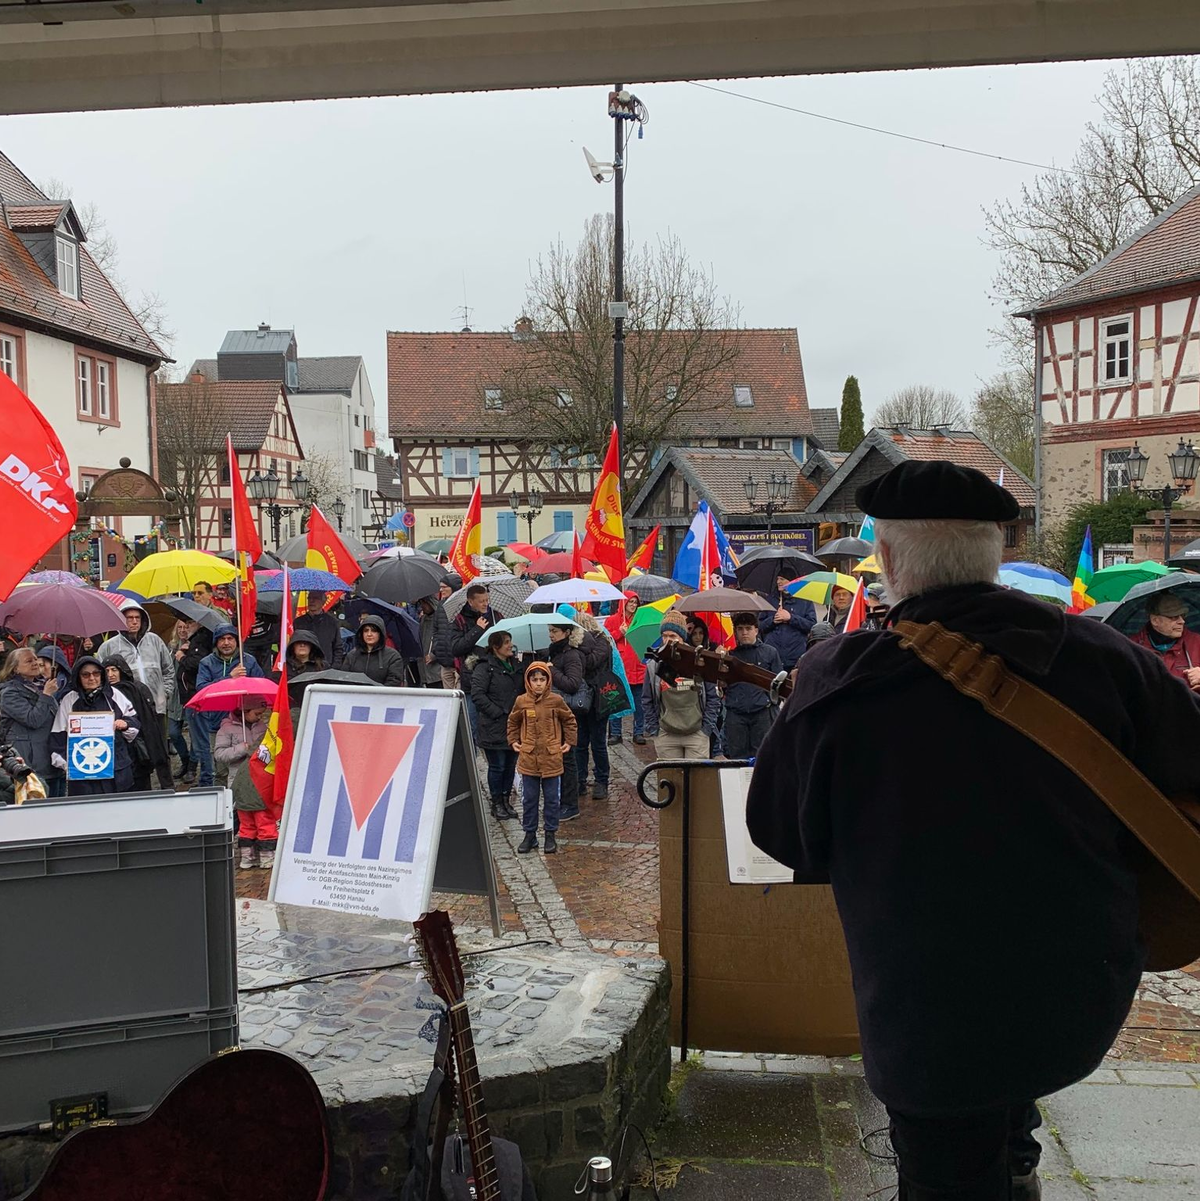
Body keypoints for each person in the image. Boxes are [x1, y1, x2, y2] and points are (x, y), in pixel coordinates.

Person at [746, 461, 1200, 1201]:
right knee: (1014, 1086)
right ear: (993, 554)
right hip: (1078, 983)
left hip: (925, 1006)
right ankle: (1017, 1163)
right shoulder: (1106, 659)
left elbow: (779, 832)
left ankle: (1006, 1167)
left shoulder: (838, 679)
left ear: (889, 562)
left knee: (945, 1173)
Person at [507, 661, 577, 855]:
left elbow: (569, 720)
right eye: (534, 679)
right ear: (528, 681)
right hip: (529, 758)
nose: (538, 683)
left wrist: (569, 741)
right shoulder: (521, 701)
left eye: (542, 679)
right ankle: (530, 834)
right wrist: (513, 740)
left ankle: (550, 834)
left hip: (551, 757)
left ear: (548, 681)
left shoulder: (556, 700)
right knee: (529, 799)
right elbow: (513, 721)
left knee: (552, 799)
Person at [50, 656, 140, 796]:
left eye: (96, 673)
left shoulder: (114, 695)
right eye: (85, 675)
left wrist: (126, 724)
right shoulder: (69, 700)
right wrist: (70, 765)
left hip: (117, 773)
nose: (92, 678)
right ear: (78, 677)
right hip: (82, 779)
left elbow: (134, 722)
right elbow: (58, 738)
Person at [642, 611, 720, 760]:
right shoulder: (654, 665)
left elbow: (713, 697)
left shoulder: (699, 661)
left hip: (696, 734)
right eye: (664, 636)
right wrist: (654, 730)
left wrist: (706, 729)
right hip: (666, 735)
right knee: (670, 775)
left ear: (682, 637)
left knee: (696, 775)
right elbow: (647, 699)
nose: (667, 640)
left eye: (672, 636)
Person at [195, 624, 265, 787]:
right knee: (221, 770)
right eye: (222, 639)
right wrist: (229, 677)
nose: (226, 643)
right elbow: (202, 688)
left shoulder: (248, 661)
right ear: (216, 642)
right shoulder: (207, 663)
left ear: (236, 641)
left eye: (230, 639)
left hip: (246, 722)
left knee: (249, 764)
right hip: (217, 722)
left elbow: (260, 686)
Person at [97, 603, 176, 733]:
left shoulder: (155, 641)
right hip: (126, 709)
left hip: (156, 707)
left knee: (158, 743)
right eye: (129, 618)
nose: (134, 621)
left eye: (137, 617)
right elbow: (100, 676)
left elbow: (168, 670)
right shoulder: (109, 646)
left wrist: (165, 693)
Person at [469, 630, 522, 821]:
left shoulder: (515, 665)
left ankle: (506, 800)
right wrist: (497, 712)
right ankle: (497, 802)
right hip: (493, 726)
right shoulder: (484, 668)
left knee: (510, 765)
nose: (510, 645)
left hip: (513, 725)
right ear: (495, 646)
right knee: (497, 766)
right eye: (506, 642)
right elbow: (478, 695)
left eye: (510, 641)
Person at [0, 647, 62, 796]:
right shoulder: (9, 693)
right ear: (15, 668)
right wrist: (46, 695)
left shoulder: (41, 686)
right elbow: (32, 720)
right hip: (30, 760)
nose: (35, 663)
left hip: (49, 756)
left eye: (35, 659)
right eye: (29, 661)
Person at [104, 656, 172, 791]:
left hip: (138, 745)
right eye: (106, 671)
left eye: (114, 670)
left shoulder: (136, 689)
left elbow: (148, 718)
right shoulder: (103, 693)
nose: (110, 675)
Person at [722, 613, 782, 759]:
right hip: (736, 713)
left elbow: (779, 684)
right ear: (735, 631)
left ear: (756, 630)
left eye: (748, 628)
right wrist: (720, 660)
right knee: (736, 760)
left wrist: (770, 702)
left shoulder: (770, 652)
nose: (744, 632)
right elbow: (721, 684)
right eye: (740, 629)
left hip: (762, 712)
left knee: (763, 758)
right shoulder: (728, 655)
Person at [544, 622, 588, 820]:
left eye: (554, 631)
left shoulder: (571, 655)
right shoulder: (554, 652)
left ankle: (570, 804)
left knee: (568, 759)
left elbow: (572, 684)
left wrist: (552, 670)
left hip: (568, 713)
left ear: (567, 632)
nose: (551, 635)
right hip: (555, 713)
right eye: (549, 631)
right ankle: (562, 801)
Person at [570, 609, 613, 801]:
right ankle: (580, 780)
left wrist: (578, 650)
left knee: (598, 742)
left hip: (598, 699)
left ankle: (601, 780)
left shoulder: (602, 642)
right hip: (580, 698)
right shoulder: (574, 645)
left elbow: (592, 662)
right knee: (580, 742)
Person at [451, 585, 498, 738]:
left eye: (487, 600)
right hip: (471, 679)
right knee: (472, 723)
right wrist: (477, 629)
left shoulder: (495, 615)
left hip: (495, 675)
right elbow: (456, 648)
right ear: (471, 602)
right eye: (481, 601)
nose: (485, 604)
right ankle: (474, 750)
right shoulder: (460, 620)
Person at [231, 724, 279, 870]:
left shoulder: (250, 759)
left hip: (242, 797)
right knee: (265, 825)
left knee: (246, 826)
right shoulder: (271, 759)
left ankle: (246, 858)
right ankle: (266, 857)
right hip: (260, 798)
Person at [1129, 592, 1200, 690]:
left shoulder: (1197, 642)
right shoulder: (1132, 648)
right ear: (1155, 621)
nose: (1182, 621)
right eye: (1174, 617)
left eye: (1182, 615)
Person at [176, 618, 214, 785]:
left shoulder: (201, 639)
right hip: (190, 697)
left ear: (199, 623)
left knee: (201, 742)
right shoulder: (194, 641)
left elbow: (197, 664)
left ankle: (207, 778)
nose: (187, 626)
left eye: (190, 623)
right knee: (199, 740)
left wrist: (182, 657)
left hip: (196, 697)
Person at [606, 591, 646, 745]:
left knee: (639, 704)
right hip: (620, 668)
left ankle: (639, 732)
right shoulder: (612, 620)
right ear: (624, 603)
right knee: (617, 702)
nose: (633, 605)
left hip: (638, 667)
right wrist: (619, 633)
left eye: (636, 602)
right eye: (631, 602)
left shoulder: (639, 620)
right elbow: (605, 640)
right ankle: (616, 733)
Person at [758, 573, 817, 664]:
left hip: (796, 656)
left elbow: (811, 626)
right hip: (772, 656)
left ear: (792, 581)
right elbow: (760, 626)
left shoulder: (804, 601)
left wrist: (791, 618)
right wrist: (773, 620)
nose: (778, 582)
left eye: (782, 579)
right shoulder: (770, 599)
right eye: (777, 579)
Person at [213, 700, 271, 788]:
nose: (260, 717)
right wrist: (241, 749)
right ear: (245, 711)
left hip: (260, 775)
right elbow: (219, 754)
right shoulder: (227, 729)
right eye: (257, 714)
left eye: (261, 714)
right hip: (237, 777)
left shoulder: (262, 726)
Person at [343, 615, 406, 686]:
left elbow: (394, 681)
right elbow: (345, 679)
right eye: (366, 631)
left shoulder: (393, 656)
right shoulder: (352, 655)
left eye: (374, 631)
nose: (369, 634)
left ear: (380, 633)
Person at [166, 620, 193, 784]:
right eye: (180, 627)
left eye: (186, 627)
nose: (182, 630)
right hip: (174, 695)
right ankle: (185, 759)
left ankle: (191, 768)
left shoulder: (195, 646)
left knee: (195, 735)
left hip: (189, 693)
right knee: (174, 732)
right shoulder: (171, 646)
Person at [294, 591, 346, 668]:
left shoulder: (332, 622)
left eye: (315, 598)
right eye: (309, 598)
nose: (312, 601)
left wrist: (334, 667)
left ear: (323, 601)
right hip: (303, 667)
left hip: (326, 667)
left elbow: (338, 647)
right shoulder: (298, 622)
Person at [416, 594, 455, 688]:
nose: (422, 606)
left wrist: (433, 655)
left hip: (437, 668)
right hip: (425, 665)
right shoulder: (423, 619)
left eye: (424, 603)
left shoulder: (439, 618)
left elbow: (443, 639)